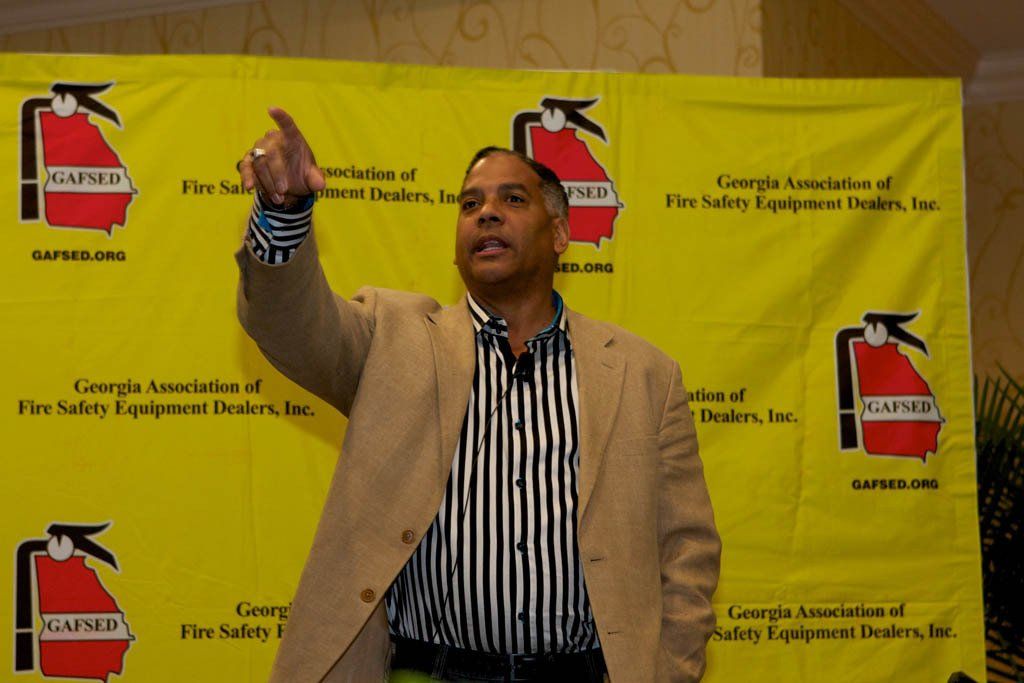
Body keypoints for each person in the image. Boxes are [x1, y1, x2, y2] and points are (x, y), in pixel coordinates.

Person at [235, 107, 720, 682]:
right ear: (456, 244)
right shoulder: (393, 340)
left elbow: (687, 549)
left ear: (560, 234)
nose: (486, 212)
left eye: (513, 199)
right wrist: (284, 212)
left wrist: (668, 673)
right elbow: (289, 323)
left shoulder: (644, 375)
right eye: (470, 204)